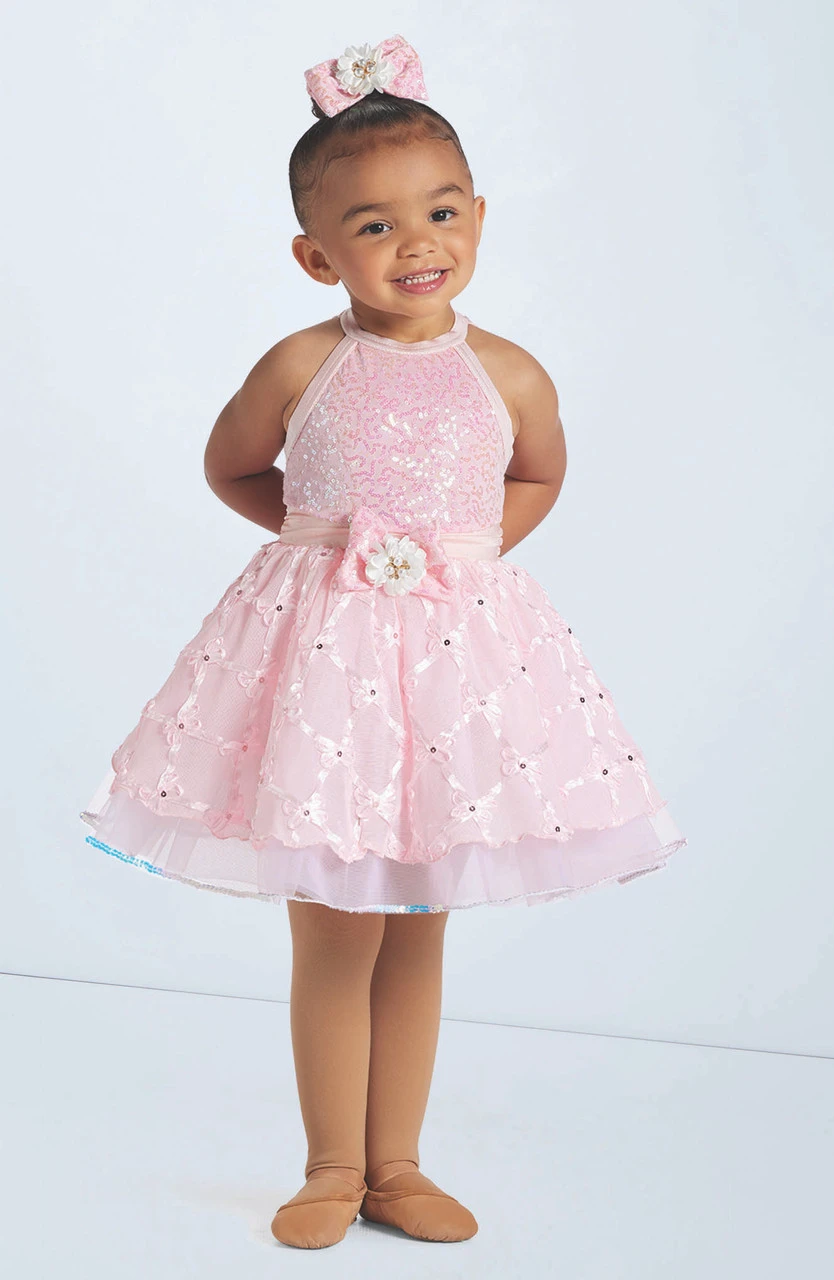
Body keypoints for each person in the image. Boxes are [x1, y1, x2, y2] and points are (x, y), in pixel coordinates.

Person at [79, 33, 687, 1251]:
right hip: (323, 674)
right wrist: (324, 548)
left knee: (419, 920)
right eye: (373, 224)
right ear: (316, 255)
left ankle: (398, 1164)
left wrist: (456, 561)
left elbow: (537, 474)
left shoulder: (507, 373)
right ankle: (330, 1164)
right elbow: (232, 465)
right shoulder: (304, 363)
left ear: (478, 217)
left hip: (454, 676)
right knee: (332, 924)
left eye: (441, 211)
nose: (417, 241)